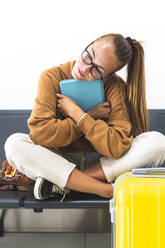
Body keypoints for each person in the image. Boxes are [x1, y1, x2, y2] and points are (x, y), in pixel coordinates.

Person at [4, 33, 165, 201]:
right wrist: (92, 115)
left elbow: (117, 147)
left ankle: (66, 184)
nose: (85, 68)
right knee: (14, 144)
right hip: (57, 160)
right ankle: (104, 189)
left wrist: (78, 114)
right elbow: (40, 135)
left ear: (108, 75)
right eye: (89, 55)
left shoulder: (115, 87)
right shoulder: (51, 77)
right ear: (89, 44)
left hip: (101, 163)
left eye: (97, 70)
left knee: (158, 143)